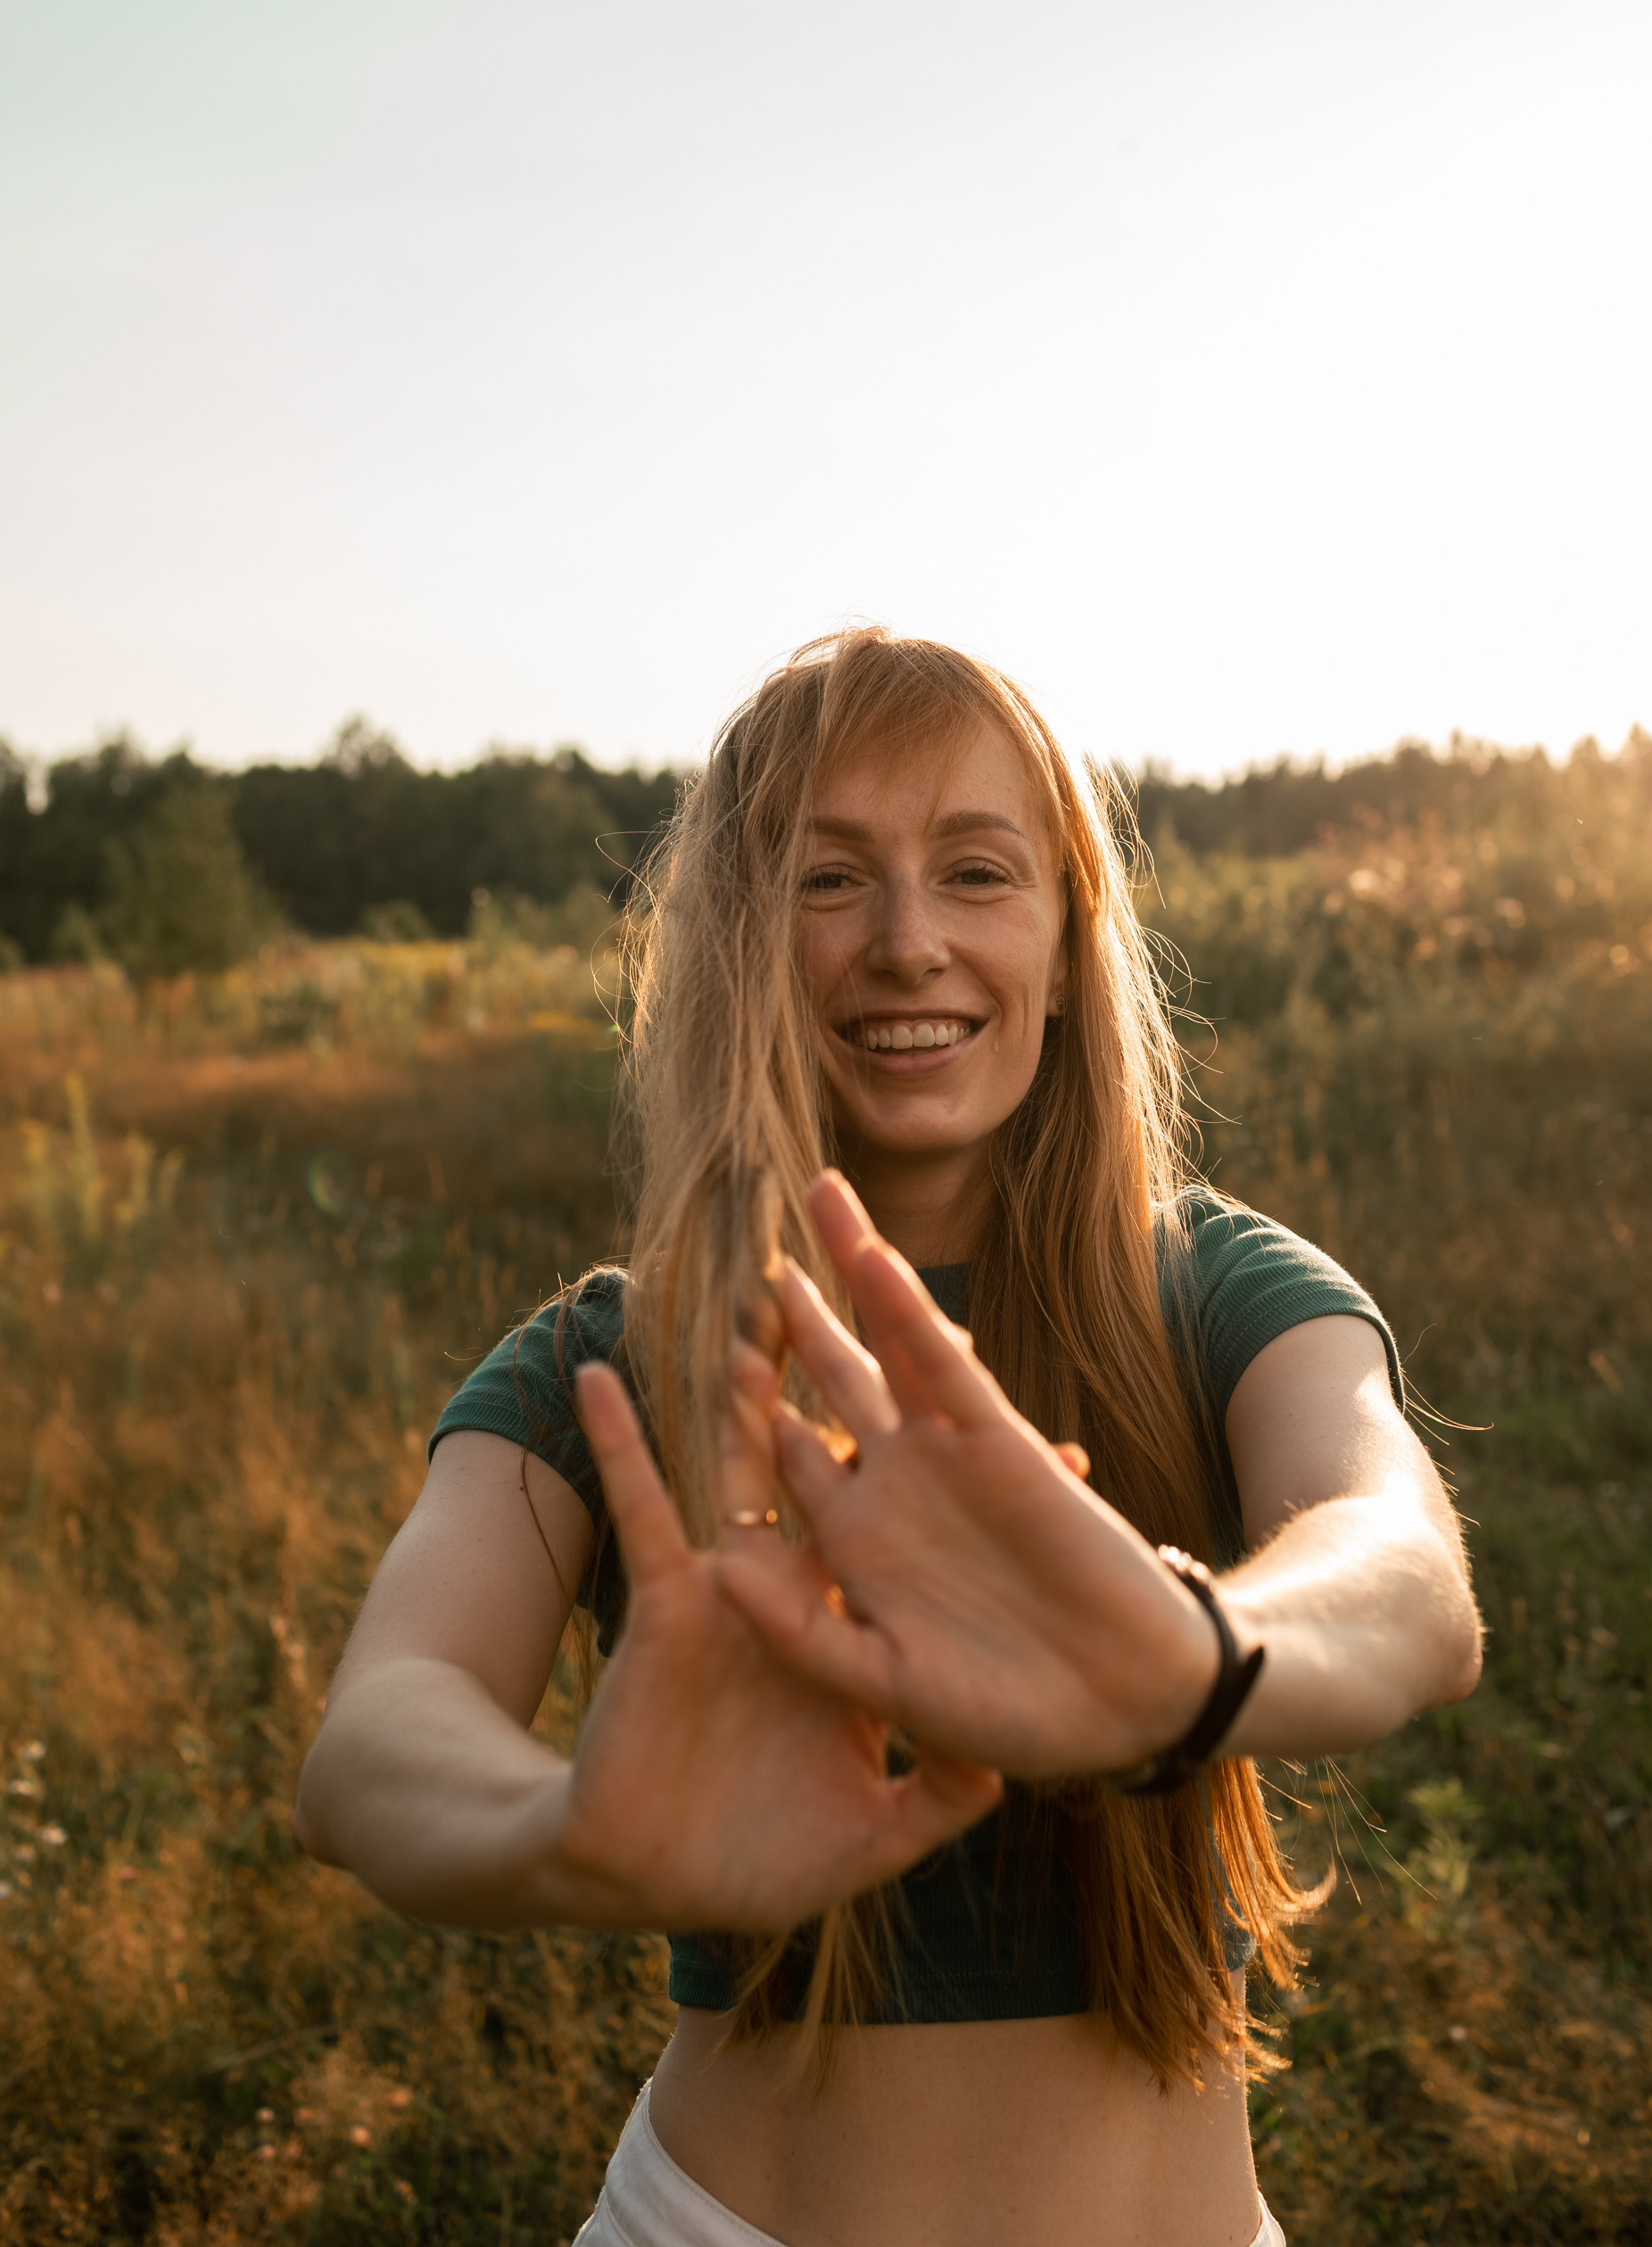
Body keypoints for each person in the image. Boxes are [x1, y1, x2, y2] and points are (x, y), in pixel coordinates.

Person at [293, 630, 1483, 2247]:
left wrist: (1188, 1656)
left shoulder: (1220, 1293)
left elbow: (1404, 1567)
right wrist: (565, 1835)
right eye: (829, 879)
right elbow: (377, 1733)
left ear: (1064, 941)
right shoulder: (605, 1359)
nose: (909, 943)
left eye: (978, 872)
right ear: (737, 943)